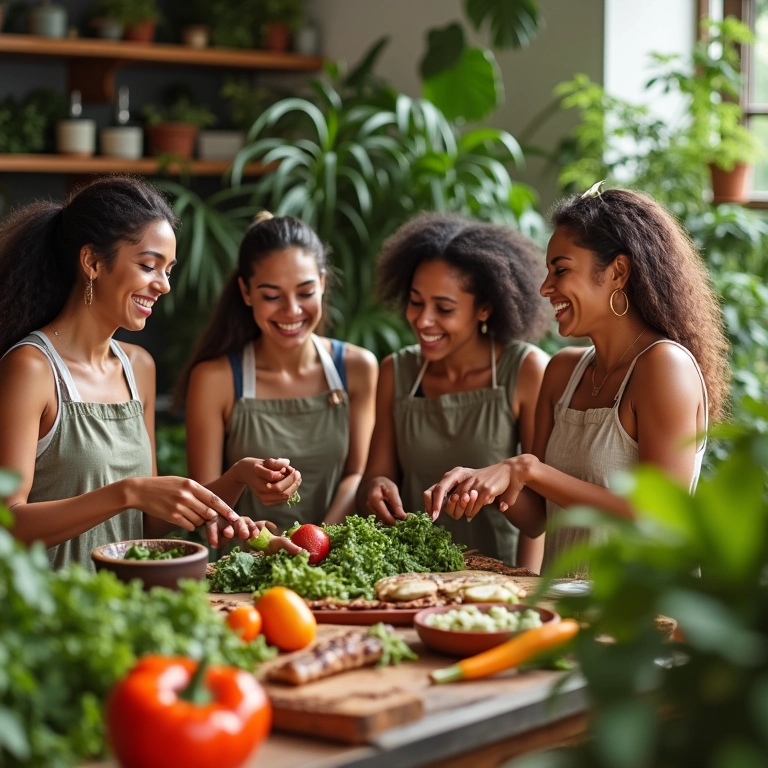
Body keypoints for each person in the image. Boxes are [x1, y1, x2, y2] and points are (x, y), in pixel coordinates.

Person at [0, 176, 302, 570]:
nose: (163, 285)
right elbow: (8, 523)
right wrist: (127, 492)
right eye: (148, 266)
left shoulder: (138, 368)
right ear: (92, 262)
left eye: (169, 270)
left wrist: (236, 478)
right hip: (54, 618)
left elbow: (145, 521)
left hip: (129, 609)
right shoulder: (31, 368)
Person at [424, 187, 730, 575]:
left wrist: (528, 468)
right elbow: (537, 516)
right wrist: (483, 481)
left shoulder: (663, 367)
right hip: (566, 610)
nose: (545, 288)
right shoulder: (563, 372)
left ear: (618, 271)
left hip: (644, 619)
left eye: (561, 270)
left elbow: (660, 519)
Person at [356, 212, 551, 570]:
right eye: (416, 302)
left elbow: (537, 518)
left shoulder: (525, 370)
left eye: (444, 308)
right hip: (410, 573)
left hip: (496, 578)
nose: (423, 320)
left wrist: (526, 587)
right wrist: (375, 488)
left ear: (485, 309)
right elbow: (374, 477)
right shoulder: (397, 371)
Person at [178, 213, 378, 541]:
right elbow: (204, 507)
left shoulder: (357, 368)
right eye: (272, 296)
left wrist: (318, 541)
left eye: (305, 292)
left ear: (323, 284)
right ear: (246, 291)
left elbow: (357, 475)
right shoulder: (215, 378)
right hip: (244, 568)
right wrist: (240, 475)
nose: (292, 310)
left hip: (335, 560)